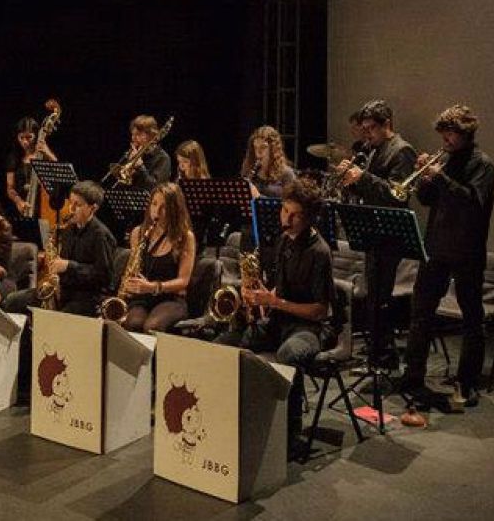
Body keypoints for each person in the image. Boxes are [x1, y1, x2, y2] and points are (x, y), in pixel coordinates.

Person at [216, 177, 335, 459]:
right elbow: (279, 289)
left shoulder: (320, 252)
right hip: (279, 321)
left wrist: (275, 302)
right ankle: (228, 417)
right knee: (224, 342)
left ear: (309, 218)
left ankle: (290, 434)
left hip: (310, 328)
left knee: (289, 355)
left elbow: (320, 310)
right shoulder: (284, 242)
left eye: (295, 215)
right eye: (285, 211)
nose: (287, 219)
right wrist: (256, 294)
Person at [401, 105, 494, 406]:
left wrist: (439, 177)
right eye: (443, 134)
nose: (444, 140)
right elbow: (428, 200)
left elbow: (471, 202)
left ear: (465, 134)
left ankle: (466, 383)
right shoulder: (447, 161)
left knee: (471, 319)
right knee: (420, 314)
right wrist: (424, 181)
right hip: (436, 249)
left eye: (449, 134)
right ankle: (413, 376)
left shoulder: (483, 166)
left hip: (467, 251)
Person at [336, 99, 416, 368]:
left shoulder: (402, 151)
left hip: (391, 235)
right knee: (372, 298)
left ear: (387, 125)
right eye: (365, 128)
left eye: (371, 128)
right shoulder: (374, 149)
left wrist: (363, 178)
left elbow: (397, 195)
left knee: (382, 299)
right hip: (374, 231)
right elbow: (370, 191)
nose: (366, 133)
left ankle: (385, 357)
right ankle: (376, 354)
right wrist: (351, 182)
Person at [4, 180, 116, 316]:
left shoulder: (101, 236)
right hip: (65, 290)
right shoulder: (68, 229)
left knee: (57, 317)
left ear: (93, 208)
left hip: (88, 297)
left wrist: (69, 266)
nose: (71, 209)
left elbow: (104, 277)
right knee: (12, 301)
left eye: (78, 205)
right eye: (71, 203)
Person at [121, 182, 196, 334]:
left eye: (164, 207)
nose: (157, 211)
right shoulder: (138, 233)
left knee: (152, 326)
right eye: (154, 204)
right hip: (143, 297)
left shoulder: (185, 237)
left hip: (171, 298)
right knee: (133, 324)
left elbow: (183, 281)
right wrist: (131, 285)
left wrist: (153, 287)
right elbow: (134, 269)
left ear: (174, 210)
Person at [5, 117, 58, 218]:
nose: (25, 142)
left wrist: (47, 153)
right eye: (21, 137)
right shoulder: (14, 157)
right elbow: (10, 188)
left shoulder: (43, 154)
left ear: (36, 135)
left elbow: (58, 169)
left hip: (43, 205)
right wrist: (18, 201)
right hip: (22, 206)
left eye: (29, 137)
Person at [114, 115, 171, 190]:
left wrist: (141, 167)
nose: (133, 138)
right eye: (132, 134)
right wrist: (129, 163)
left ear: (151, 135)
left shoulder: (163, 158)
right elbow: (122, 185)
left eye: (138, 134)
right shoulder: (132, 153)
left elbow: (155, 188)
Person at [241, 126, 296, 198]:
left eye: (263, 147)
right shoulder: (249, 171)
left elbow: (291, 204)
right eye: (255, 147)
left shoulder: (287, 174)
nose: (258, 152)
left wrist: (258, 197)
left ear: (273, 149)